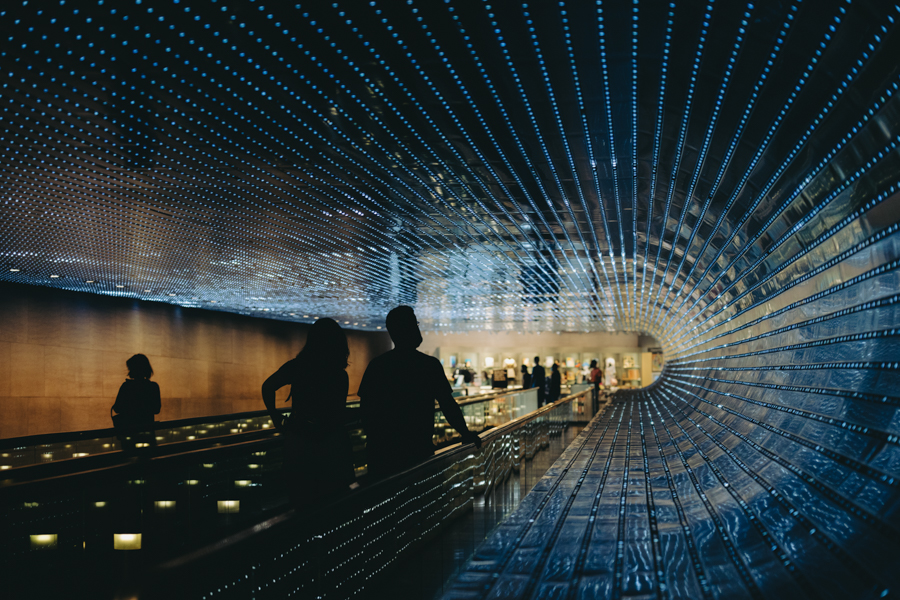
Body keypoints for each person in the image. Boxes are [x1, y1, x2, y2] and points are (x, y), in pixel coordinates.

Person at [359, 306, 482, 480]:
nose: (418, 328)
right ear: (406, 329)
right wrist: (465, 432)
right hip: (418, 450)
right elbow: (447, 403)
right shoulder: (428, 365)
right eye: (415, 324)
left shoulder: (377, 366)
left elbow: (367, 410)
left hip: (383, 455)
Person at [262, 318, 355, 508]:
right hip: (332, 446)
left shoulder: (298, 366)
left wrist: (275, 417)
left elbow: (268, 386)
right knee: (334, 504)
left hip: (299, 442)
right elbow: (337, 413)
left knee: (302, 501)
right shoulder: (338, 375)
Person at [112, 354, 161, 454]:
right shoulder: (153, 387)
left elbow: (117, 408)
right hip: (147, 431)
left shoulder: (126, 386)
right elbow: (156, 409)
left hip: (129, 432)